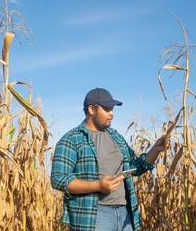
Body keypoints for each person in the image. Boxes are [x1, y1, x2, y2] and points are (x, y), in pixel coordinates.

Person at [51, 88, 167, 231]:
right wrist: (98, 186)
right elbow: (58, 179)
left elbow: (137, 166)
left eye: (112, 109)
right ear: (92, 109)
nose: (112, 113)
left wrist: (156, 148)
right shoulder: (71, 139)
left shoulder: (116, 137)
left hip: (125, 213)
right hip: (94, 216)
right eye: (107, 109)